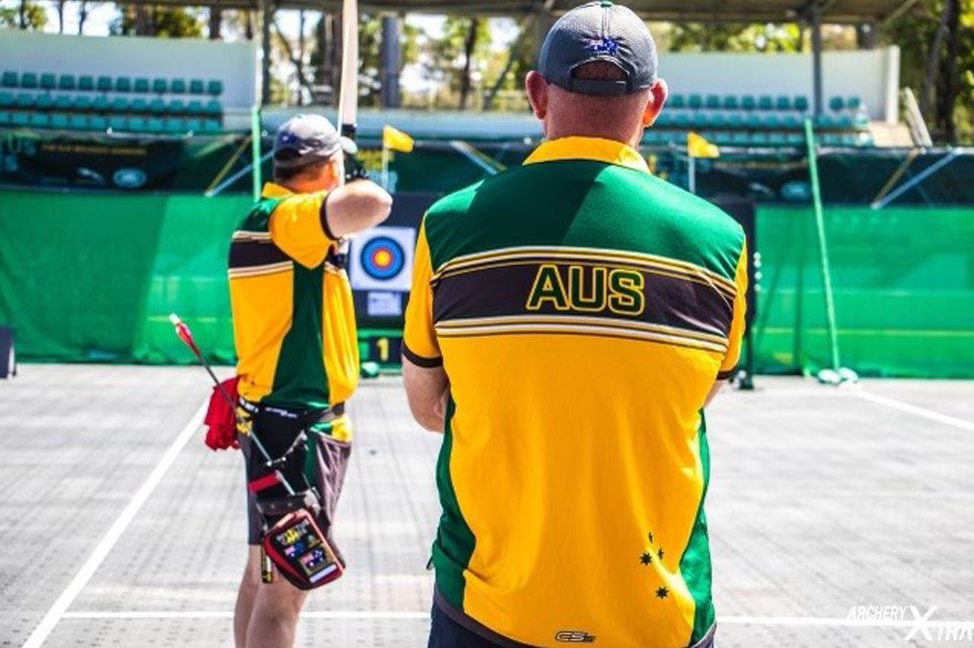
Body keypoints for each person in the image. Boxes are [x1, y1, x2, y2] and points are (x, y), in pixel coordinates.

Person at [402, 3, 747, 647]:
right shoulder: (719, 241)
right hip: (658, 608)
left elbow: (428, 408)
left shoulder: (451, 227)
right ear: (654, 103)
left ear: (536, 94)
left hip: (489, 603)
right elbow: (696, 396)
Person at [227, 113, 392, 648]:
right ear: (323, 168)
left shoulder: (270, 219)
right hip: (297, 433)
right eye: (336, 165)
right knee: (284, 593)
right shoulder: (290, 218)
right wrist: (356, 177)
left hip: (274, 425)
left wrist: (340, 171)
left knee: (263, 574)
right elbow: (374, 204)